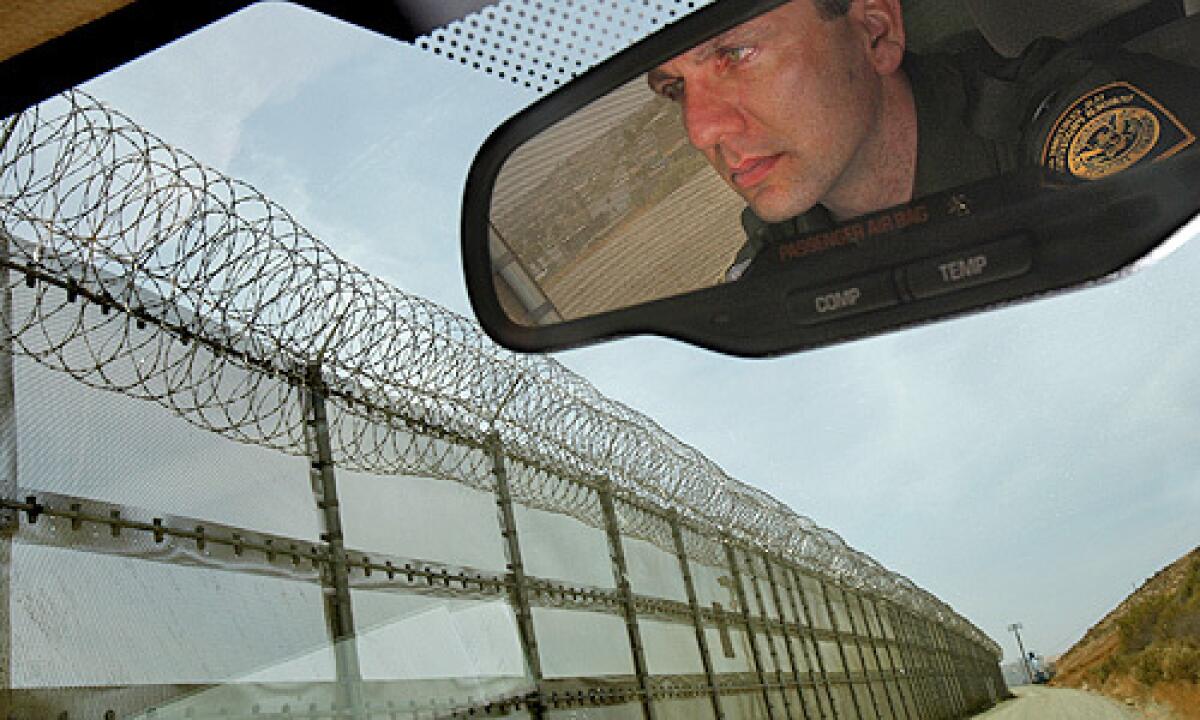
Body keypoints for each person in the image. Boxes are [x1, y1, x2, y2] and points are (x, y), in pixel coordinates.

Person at [647, 0, 1199, 281]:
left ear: (875, 31)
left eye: (736, 55)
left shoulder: (1069, 132)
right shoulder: (773, 264)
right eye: (675, 90)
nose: (701, 129)